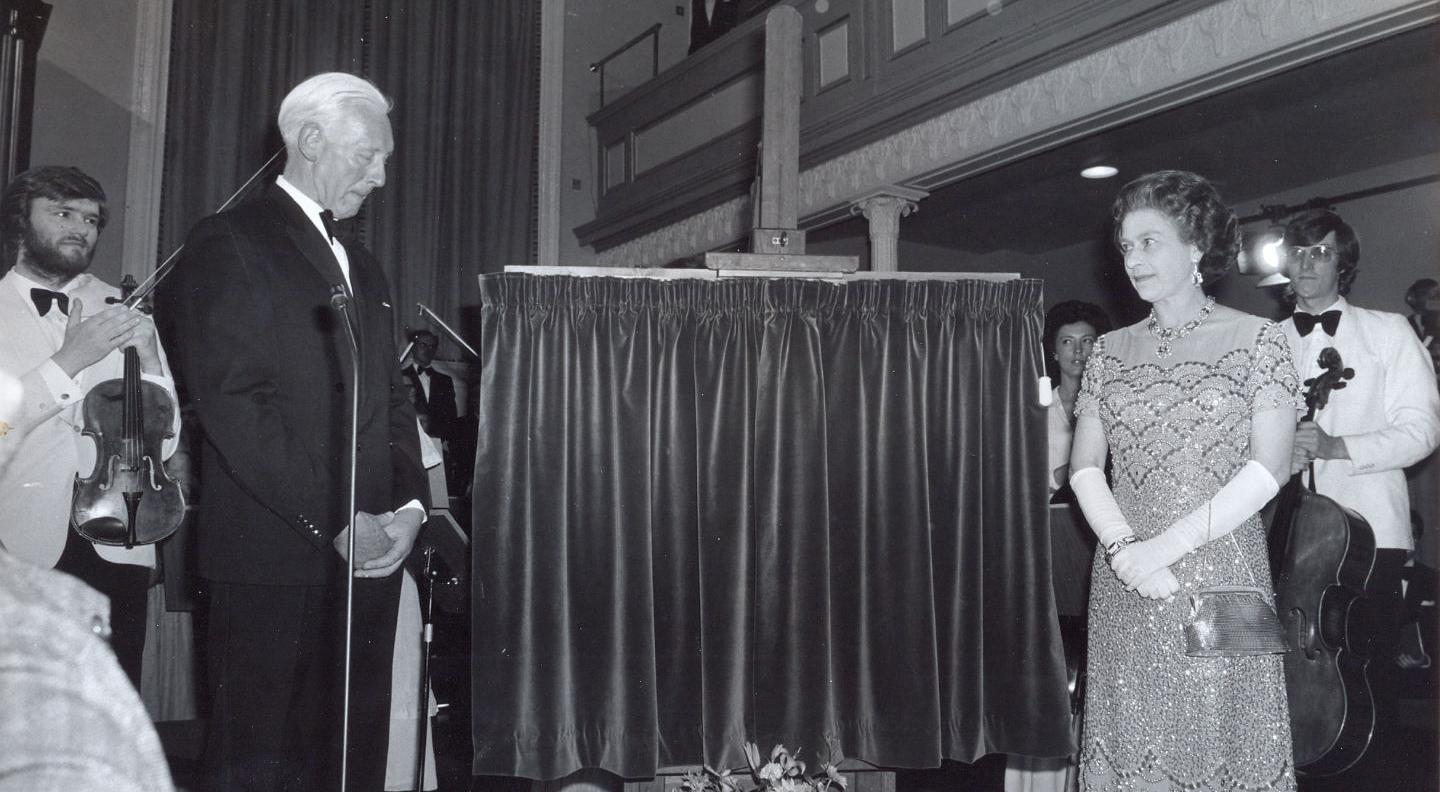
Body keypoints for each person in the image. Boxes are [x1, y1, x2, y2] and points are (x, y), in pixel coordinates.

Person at [157, 72, 428, 791]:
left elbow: (394, 397)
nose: (381, 176)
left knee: (350, 761)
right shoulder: (228, 240)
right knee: (259, 763)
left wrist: (409, 508)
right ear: (310, 140)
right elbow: (235, 403)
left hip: (370, 556)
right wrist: (337, 519)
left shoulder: (364, 265)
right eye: (369, 155)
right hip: (275, 557)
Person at [1069, 170, 1300, 790]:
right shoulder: (1108, 352)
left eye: (1150, 242)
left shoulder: (1259, 340)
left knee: (1222, 742)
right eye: (1126, 246)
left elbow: (1270, 468)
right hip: (1125, 576)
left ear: (1197, 247)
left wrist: (1165, 548)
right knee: (1132, 740)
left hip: (1221, 568)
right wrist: (1125, 549)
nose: (1133, 259)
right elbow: (1085, 467)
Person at [1275, 209, 1440, 783]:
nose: (1307, 264)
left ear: (1343, 262)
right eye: (1297, 253)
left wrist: (1336, 446)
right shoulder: (1265, 343)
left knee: (1369, 679)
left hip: (1368, 539)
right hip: (1285, 537)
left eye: (1321, 252)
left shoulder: (1387, 331)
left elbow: (1422, 431)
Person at [0, 165, 179, 690]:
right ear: (20, 220)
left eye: (92, 220)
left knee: (111, 700)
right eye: (63, 214)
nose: (81, 229)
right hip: (17, 539)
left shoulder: (124, 305)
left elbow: (165, 442)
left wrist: (150, 360)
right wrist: (70, 360)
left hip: (119, 529)